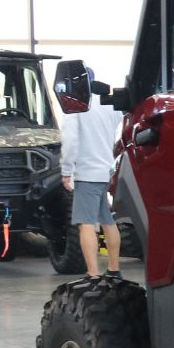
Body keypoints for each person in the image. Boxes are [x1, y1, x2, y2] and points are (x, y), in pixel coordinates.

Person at [58, 95, 124, 279]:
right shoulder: (108, 104)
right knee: (108, 221)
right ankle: (113, 269)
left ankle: (93, 273)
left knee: (85, 223)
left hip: (87, 172)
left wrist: (66, 170)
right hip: (107, 170)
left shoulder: (76, 107)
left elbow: (70, 140)